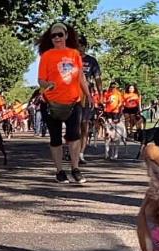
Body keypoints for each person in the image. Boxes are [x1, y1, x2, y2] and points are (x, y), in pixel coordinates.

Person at [37, 22, 91, 184]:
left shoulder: (74, 54)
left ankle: (75, 169)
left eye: (60, 34)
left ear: (66, 36)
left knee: (74, 136)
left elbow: (81, 77)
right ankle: (60, 171)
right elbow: (40, 80)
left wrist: (89, 95)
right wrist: (47, 85)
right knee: (55, 138)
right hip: (52, 103)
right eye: (54, 35)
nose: (57, 38)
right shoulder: (46, 56)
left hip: (73, 102)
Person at [78, 36, 102, 162]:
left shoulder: (91, 61)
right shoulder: (69, 60)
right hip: (71, 96)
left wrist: (100, 95)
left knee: (84, 124)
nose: (79, 47)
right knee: (73, 125)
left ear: (85, 46)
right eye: (76, 45)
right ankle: (71, 149)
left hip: (86, 97)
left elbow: (98, 79)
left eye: (81, 45)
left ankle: (81, 152)